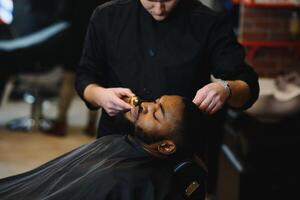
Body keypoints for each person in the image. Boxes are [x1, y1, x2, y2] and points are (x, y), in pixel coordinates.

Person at [75, 0, 260, 198]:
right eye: (151, 1)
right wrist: (100, 95)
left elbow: (248, 85)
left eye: (167, 0)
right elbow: (85, 78)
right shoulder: (107, 16)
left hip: (179, 161)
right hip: (115, 151)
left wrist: (227, 89)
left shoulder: (208, 22)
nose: (159, 8)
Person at [0, 95, 208, 200]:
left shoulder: (123, 179)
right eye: (155, 101)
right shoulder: (118, 143)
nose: (145, 105)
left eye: (156, 113)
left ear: (165, 146)